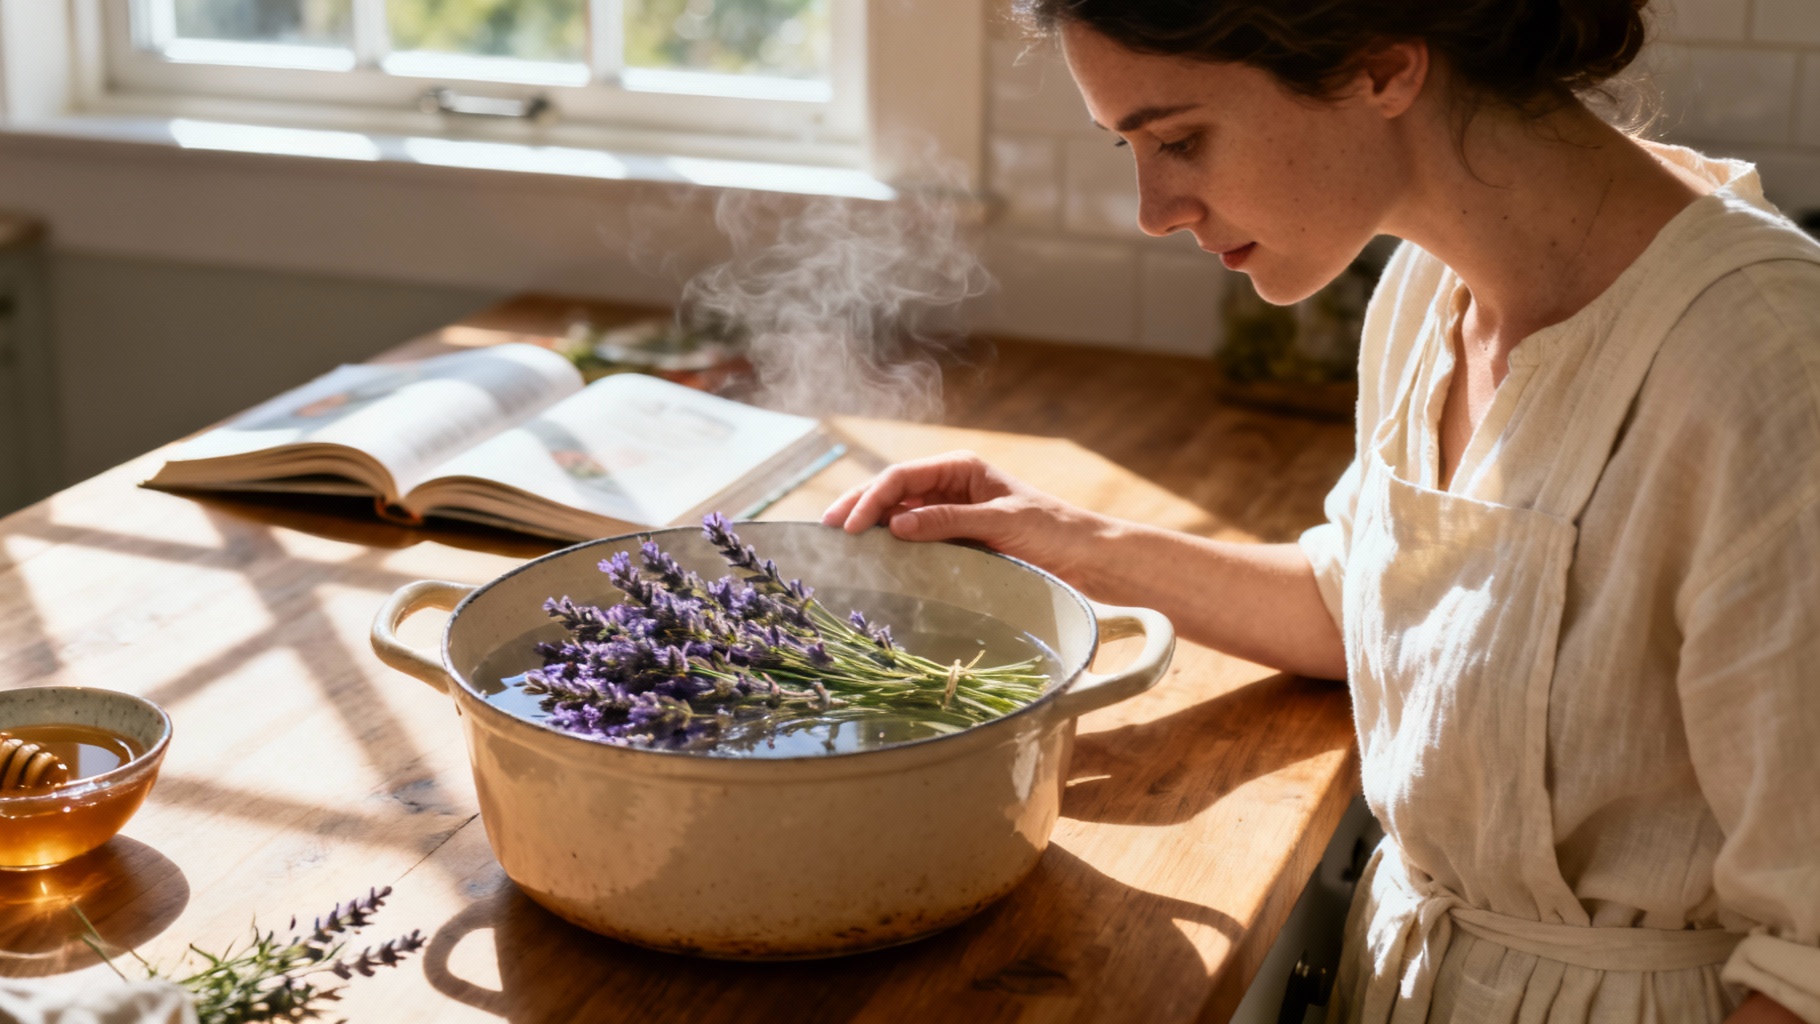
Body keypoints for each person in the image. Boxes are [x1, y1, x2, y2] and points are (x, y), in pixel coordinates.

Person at [820, 1, 1820, 1022]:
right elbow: (1373, 600)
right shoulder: (1427, 289)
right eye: (1130, 145)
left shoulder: (1765, 366)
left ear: (1380, 69)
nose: (1152, 207)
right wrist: (1064, 537)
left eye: (1178, 139)